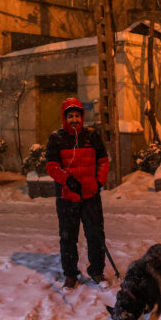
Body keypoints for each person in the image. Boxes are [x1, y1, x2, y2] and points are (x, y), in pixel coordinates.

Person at [46, 97, 110, 289]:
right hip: (67, 197)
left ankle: (97, 271)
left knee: (95, 235)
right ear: (65, 118)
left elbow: (103, 161)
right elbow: (51, 166)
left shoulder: (91, 136)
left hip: (91, 196)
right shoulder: (56, 138)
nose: (74, 119)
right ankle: (70, 274)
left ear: (82, 117)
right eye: (70, 116)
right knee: (68, 237)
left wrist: (99, 181)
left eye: (77, 116)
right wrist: (67, 180)